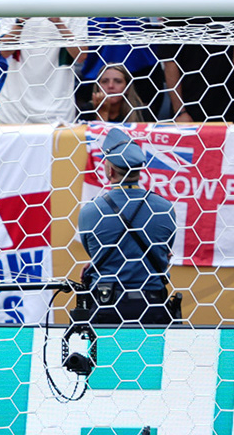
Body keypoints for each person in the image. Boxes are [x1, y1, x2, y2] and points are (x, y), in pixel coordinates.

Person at [75, 128, 178, 325]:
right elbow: (164, 252)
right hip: (152, 307)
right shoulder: (165, 209)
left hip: (106, 307)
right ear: (139, 170)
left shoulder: (90, 211)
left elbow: (93, 251)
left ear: (110, 170)